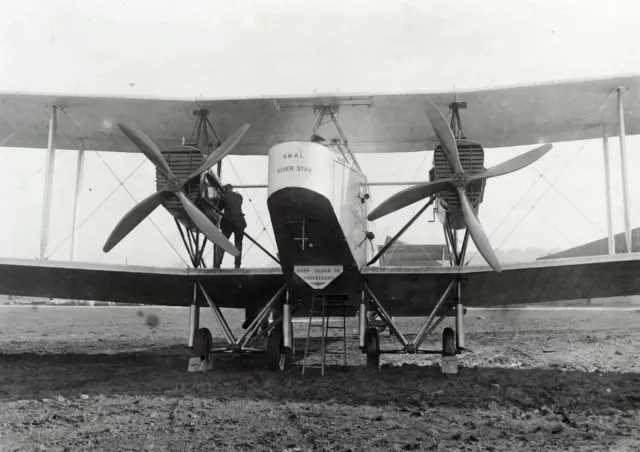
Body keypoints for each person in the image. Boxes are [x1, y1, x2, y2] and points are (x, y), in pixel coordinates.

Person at [213, 184, 247, 269]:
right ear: (232, 189)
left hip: (228, 222)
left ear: (225, 190)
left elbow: (218, 209)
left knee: (223, 243)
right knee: (238, 243)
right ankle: (237, 264)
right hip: (239, 222)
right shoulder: (239, 196)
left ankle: (217, 264)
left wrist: (219, 197)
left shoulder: (223, 198)